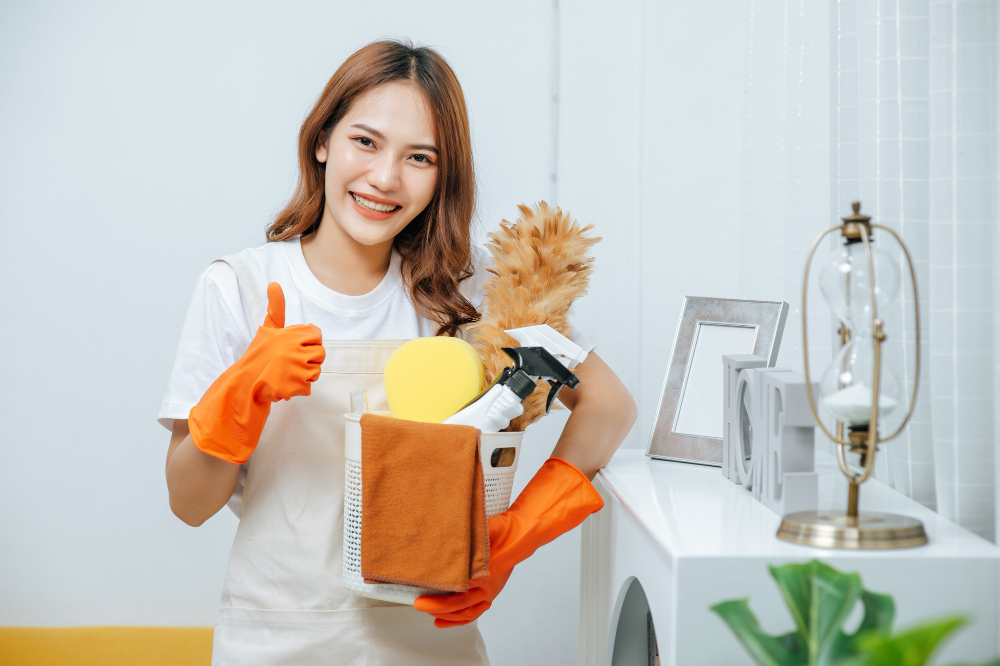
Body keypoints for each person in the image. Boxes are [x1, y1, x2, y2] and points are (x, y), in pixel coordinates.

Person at [160, 39, 637, 665]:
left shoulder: (469, 294)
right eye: (366, 141)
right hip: (277, 638)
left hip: (429, 642)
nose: (385, 178)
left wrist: (514, 537)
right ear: (321, 141)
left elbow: (607, 406)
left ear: (444, 175)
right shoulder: (241, 289)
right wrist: (240, 394)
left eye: (420, 157)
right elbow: (190, 505)